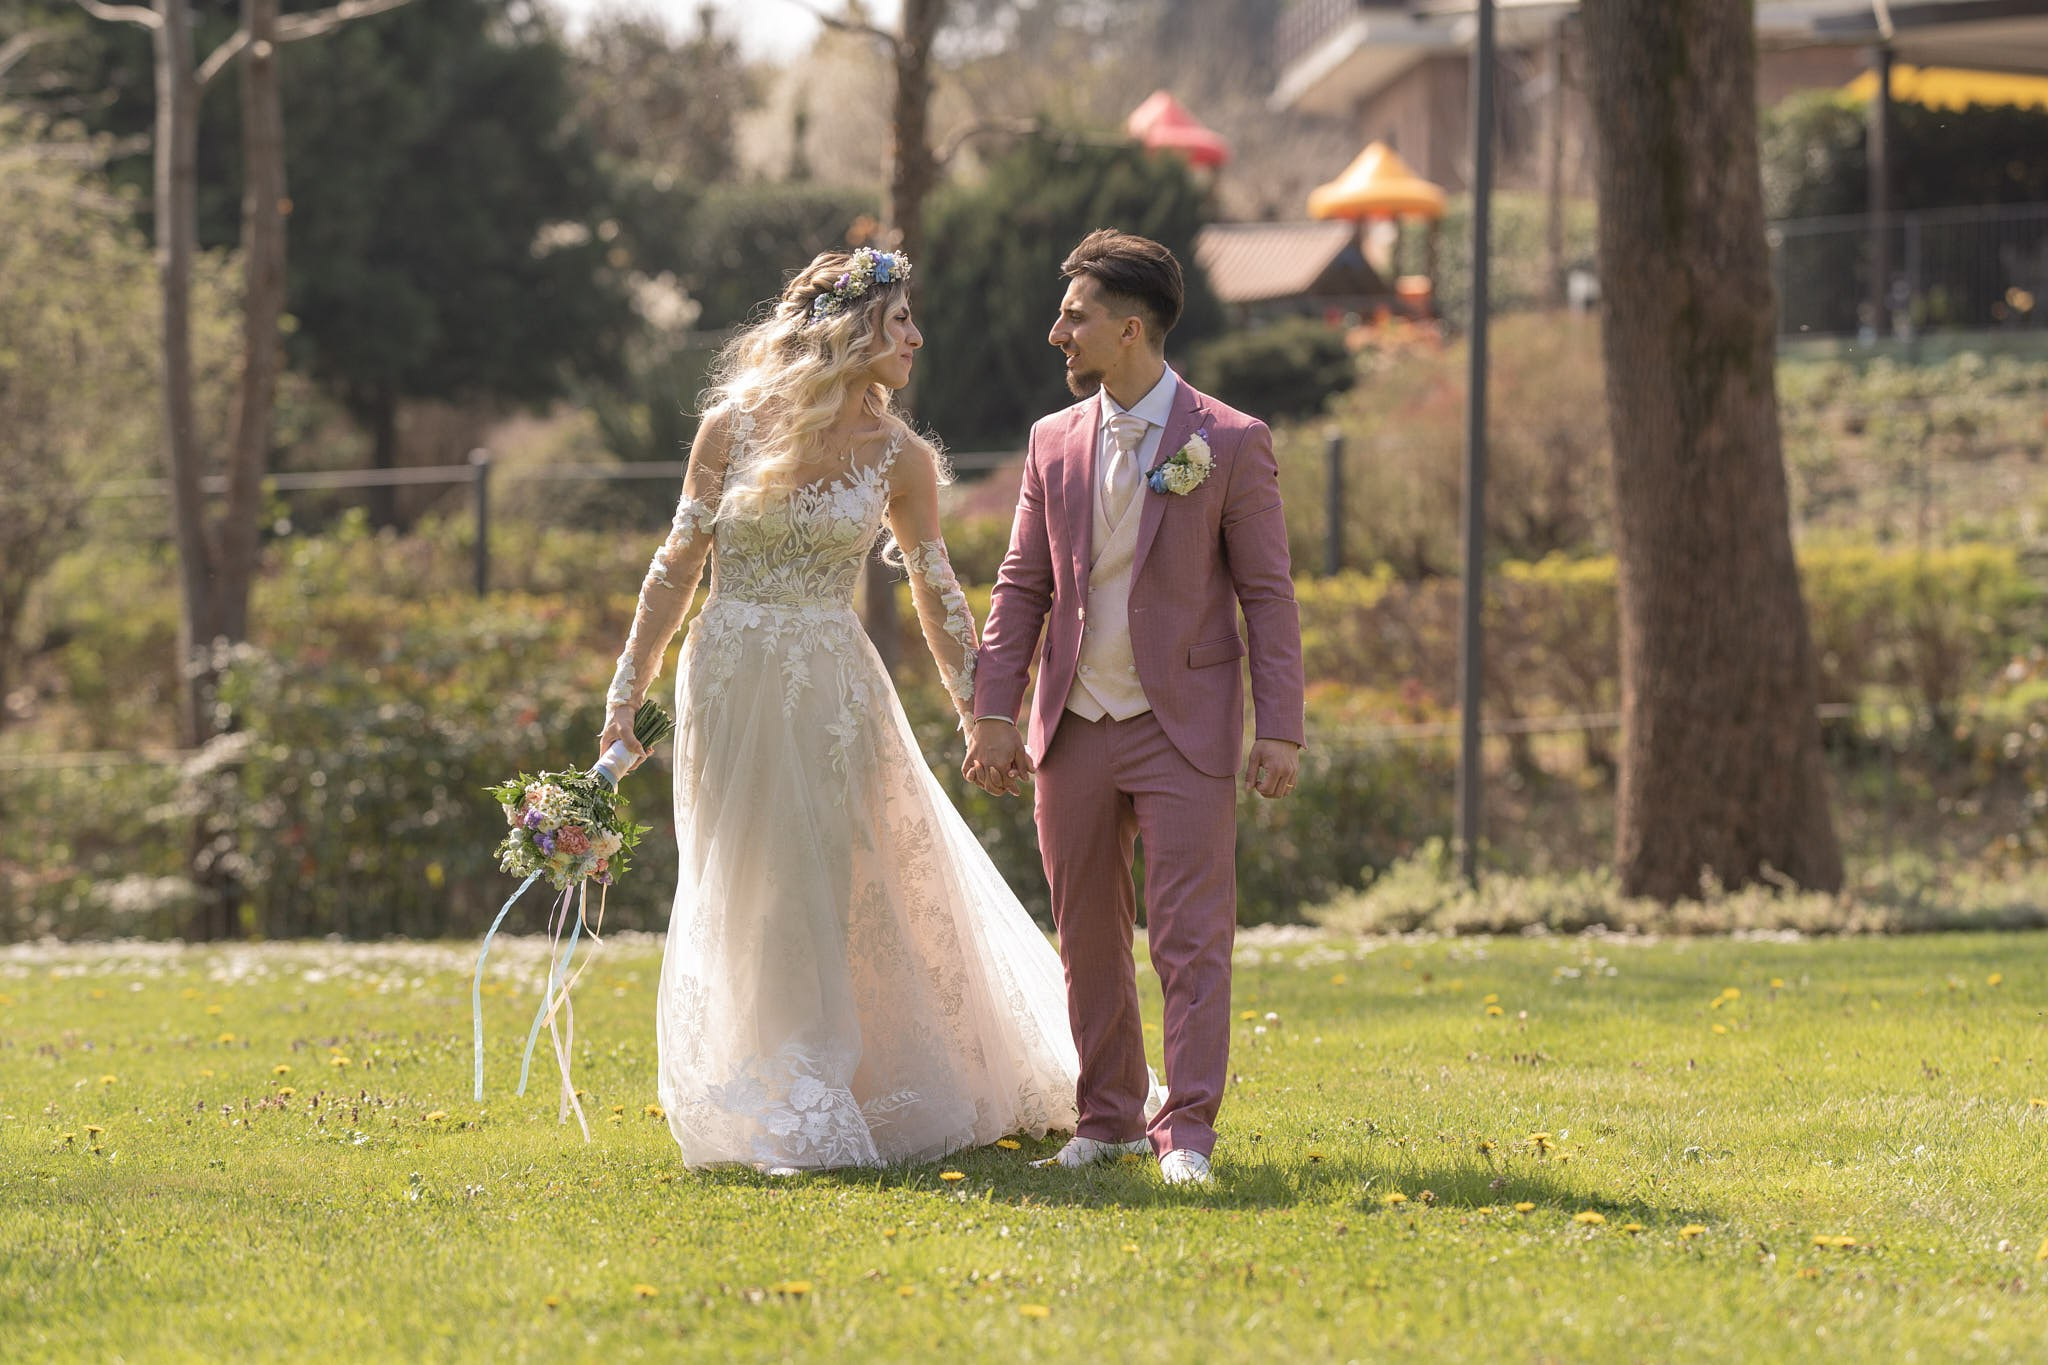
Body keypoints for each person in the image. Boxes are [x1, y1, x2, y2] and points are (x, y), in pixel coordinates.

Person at [598, 247, 1079, 1172]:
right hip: (728, 674)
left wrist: (982, 711)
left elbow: (938, 593)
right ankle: (767, 1072)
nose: (917, 340)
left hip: (828, 683)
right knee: (746, 871)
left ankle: (825, 1075)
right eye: (901, 322)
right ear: (851, 331)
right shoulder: (728, 429)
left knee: (829, 870)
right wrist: (628, 693)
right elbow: (675, 568)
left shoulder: (903, 458)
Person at [964, 229, 1306, 1186]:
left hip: (1184, 728)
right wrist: (996, 709)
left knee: (1192, 937)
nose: (1055, 333)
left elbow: (1268, 595)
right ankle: (1108, 1115)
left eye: (1072, 316)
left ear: (1128, 327)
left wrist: (1279, 725)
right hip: (1071, 724)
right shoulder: (1050, 441)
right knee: (1087, 935)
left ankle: (1187, 1131)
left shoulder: (1231, 443)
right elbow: (1020, 586)